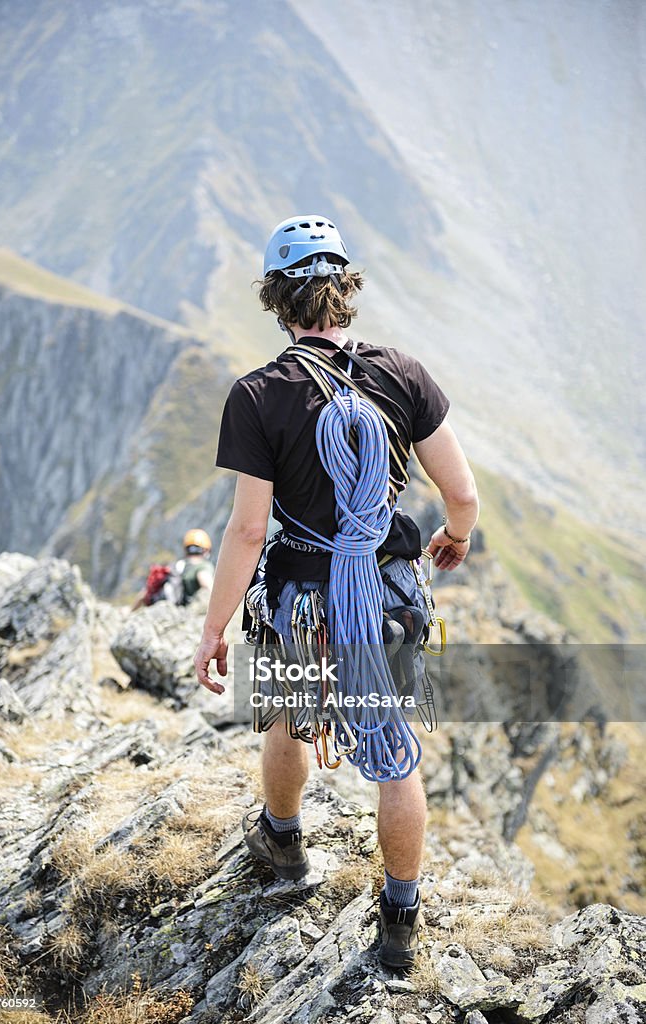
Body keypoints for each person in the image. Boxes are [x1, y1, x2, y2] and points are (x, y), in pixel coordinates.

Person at [193, 214, 479, 968]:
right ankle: (400, 915)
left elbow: (248, 533)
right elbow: (463, 493)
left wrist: (213, 628)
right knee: (394, 755)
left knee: (292, 714)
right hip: (385, 593)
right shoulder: (403, 372)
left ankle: (284, 843)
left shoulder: (259, 394)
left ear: (278, 302)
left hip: (301, 598)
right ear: (344, 291)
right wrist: (455, 535)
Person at [132, 529, 214, 610]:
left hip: (160, 608)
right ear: (206, 550)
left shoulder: (175, 566)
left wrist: (130, 611)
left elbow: (144, 593)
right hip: (183, 611)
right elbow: (207, 585)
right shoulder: (203, 566)